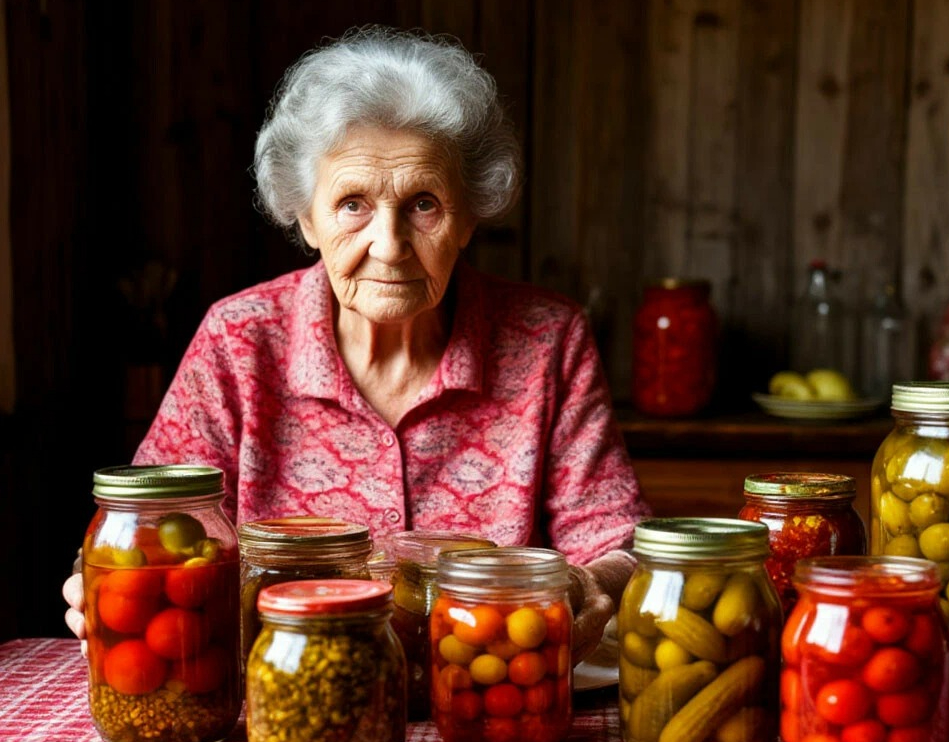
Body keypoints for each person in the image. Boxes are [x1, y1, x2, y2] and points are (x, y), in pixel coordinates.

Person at [62, 26, 648, 664]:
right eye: (351, 205)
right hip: (286, 686)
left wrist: (592, 584)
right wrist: (106, 581)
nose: (390, 245)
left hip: (484, 691)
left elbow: (617, 541)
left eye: (424, 204)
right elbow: (148, 527)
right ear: (305, 217)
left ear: (470, 215)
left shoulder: (546, 340)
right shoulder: (240, 337)